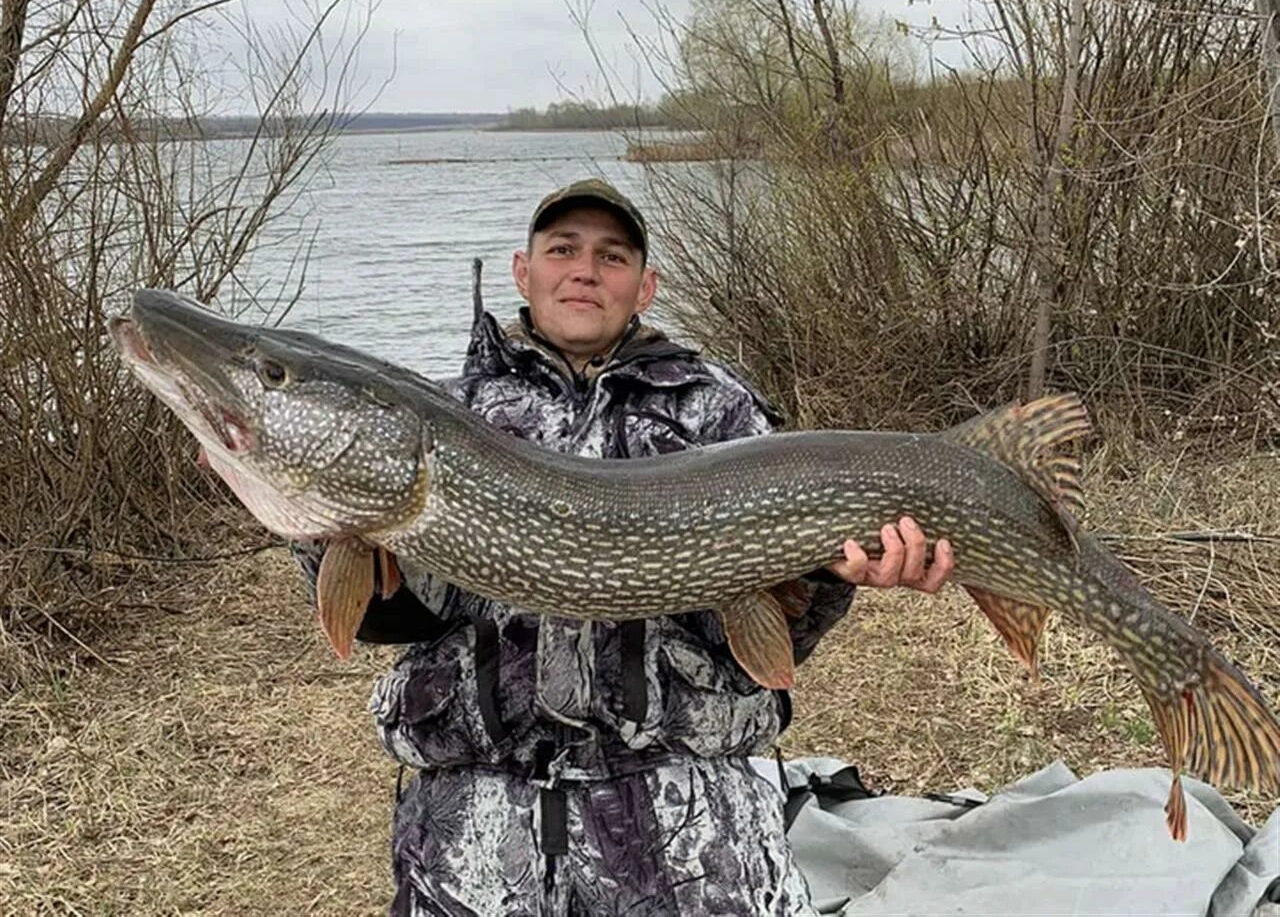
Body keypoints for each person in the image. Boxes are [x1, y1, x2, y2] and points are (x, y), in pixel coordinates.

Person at [294, 178, 955, 916]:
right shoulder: (454, 414)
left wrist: (831, 575)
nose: (584, 270)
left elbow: (774, 636)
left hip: (685, 806)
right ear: (524, 271)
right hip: (481, 804)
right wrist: (325, 531)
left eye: (611, 256)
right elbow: (398, 619)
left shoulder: (719, 411)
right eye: (563, 249)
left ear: (645, 286)